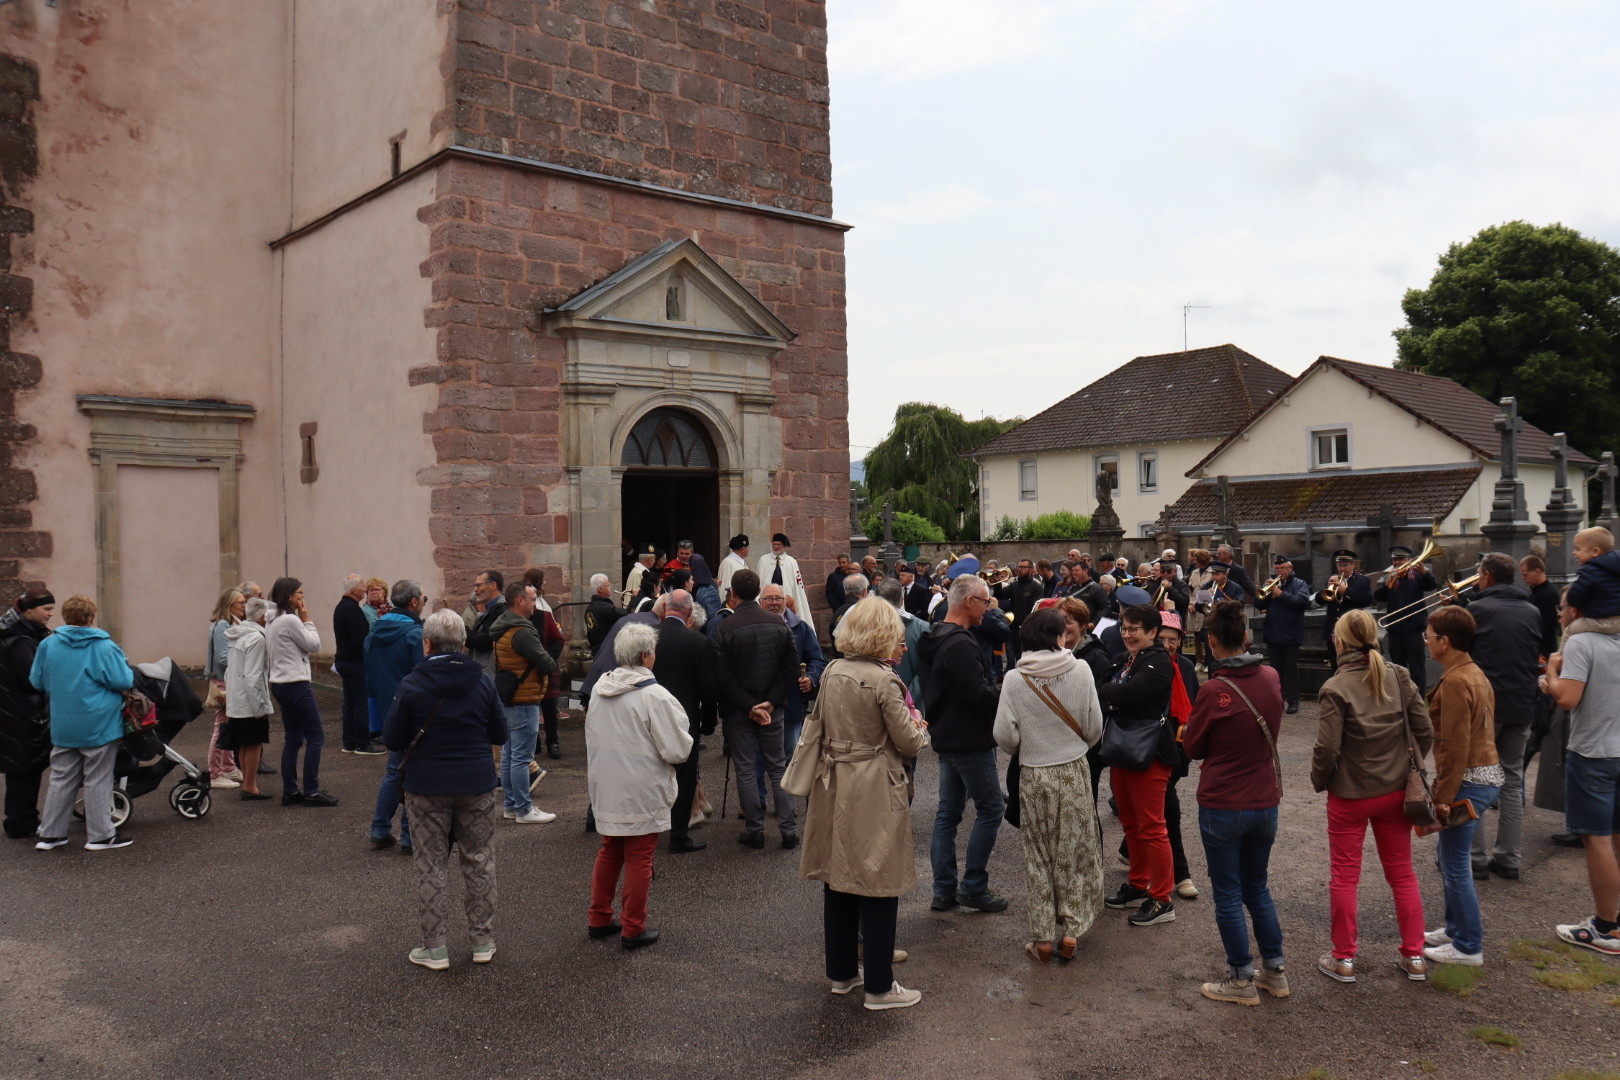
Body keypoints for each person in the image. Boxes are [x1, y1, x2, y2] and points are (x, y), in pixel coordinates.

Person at [801, 596, 931, 1011]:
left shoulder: (834, 670)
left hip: (833, 779)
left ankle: (842, 973)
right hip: (874, 782)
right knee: (879, 880)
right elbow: (908, 741)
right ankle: (879, 986)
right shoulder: (883, 679)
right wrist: (921, 728)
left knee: (838, 876)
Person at [1309, 609, 1433, 984]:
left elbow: (1327, 748)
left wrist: (1320, 780)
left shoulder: (1335, 687)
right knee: (1402, 874)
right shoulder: (1398, 674)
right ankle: (1415, 956)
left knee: (1345, 877)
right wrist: (1408, 766)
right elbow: (1424, 729)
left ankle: (1344, 958)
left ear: (1339, 642)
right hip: (1396, 790)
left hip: (1350, 793)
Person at [384, 609, 507, 970]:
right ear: (463, 643)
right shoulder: (482, 682)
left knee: (430, 864)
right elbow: (500, 733)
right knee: (480, 859)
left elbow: (392, 738)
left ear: (427, 644)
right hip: (476, 782)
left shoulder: (412, 683)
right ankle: (482, 941)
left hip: (427, 785)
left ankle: (435, 947)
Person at [1184, 601, 1289, 1004]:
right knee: (1257, 888)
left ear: (1211, 641)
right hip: (1264, 798)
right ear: (1246, 637)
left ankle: (1241, 979)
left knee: (1227, 893)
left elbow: (1194, 747)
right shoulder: (1271, 676)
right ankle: (1274, 971)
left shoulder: (1213, 690)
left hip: (1223, 801)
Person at [993, 608, 1104, 963]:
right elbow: (1095, 725)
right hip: (1073, 768)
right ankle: (1071, 931)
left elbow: (1003, 735)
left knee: (1038, 855)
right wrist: (1074, 745)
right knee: (1074, 849)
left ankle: (1042, 937)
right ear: (1059, 636)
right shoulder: (1081, 669)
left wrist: (1028, 746)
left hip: (1034, 773)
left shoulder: (1014, 679)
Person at [586, 622, 693, 950]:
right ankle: (633, 927)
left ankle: (599, 917)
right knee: (639, 856)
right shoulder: (654, 696)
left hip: (607, 783)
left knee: (610, 849)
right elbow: (677, 749)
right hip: (641, 787)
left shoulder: (600, 688)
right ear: (646, 655)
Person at [917, 574, 1007, 913]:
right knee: (991, 809)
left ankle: (944, 890)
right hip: (968, 738)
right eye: (985, 602)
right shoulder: (960, 644)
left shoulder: (935, 635)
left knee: (948, 814)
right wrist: (1008, 689)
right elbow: (977, 694)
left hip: (947, 734)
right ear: (969, 601)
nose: (988, 608)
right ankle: (973, 887)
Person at [1421, 606, 1502, 968]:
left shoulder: (1456, 681)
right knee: (1449, 859)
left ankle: (1468, 945)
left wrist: (1442, 797)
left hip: (1467, 779)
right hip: (1482, 775)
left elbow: (1455, 746)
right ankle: (1456, 930)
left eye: (1429, 635)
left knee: (1455, 864)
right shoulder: (1473, 672)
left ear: (1445, 641)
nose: (1426, 640)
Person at [1541, 589, 1620, 954]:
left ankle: (1604, 927)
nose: (1559, 614)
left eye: (1561, 608)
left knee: (1597, 839)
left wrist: (1551, 672)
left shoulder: (1581, 642)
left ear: (1575, 610)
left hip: (1593, 753)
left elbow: (1568, 698)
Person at [1459, 553, 1542, 882]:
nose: (1478, 578)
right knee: (1511, 779)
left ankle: (1475, 857)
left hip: (1486, 706)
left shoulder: (1478, 609)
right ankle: (1509, 857)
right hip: (1521, 703)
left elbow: (1463, 656)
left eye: (1480, 573)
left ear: (1488, 576)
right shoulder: (1532, 610)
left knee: (1477, 776)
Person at [30, 594, 135, 851]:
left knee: (61, 777)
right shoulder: (104, 646)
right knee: (98, 778)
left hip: (63, 722)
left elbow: (37, 681)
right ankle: (100, 836)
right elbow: (123, 680)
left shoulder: (48, 644)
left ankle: (51, 834)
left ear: (65, 615)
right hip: (99, 722)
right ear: (90, 617)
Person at [1097, 603, 1179, 926]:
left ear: (1153, 632)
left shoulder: (1159, 661)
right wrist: (1113, 692)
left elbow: (1126, 694)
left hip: (1150, 752)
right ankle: (1138, 883)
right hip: (1123, 748)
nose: (1128, 634)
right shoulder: (1126, 658)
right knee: (1130, 823)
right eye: (1125, 628)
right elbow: (1108, 689)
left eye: (1135, 629)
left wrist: (1111, 692)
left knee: (1152, 827)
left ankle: (1162, 898)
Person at [713, 569, 800, 849]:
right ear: (758, 592)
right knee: (777, 766)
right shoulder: (778, 623)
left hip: (740, 709)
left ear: (733, 593)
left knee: (747, 768)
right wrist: (771, 702)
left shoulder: (725, 627)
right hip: (771, 708)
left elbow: (722, 675)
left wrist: (749, 706)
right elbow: (791, 669)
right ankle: (788, 830)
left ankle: (755, 830)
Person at [652, 590, 717, 853]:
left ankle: (647, 831)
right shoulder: (697, 641)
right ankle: (678, 836)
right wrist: (709, 722)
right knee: (685, 776)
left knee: (651, 772)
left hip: (649, 716)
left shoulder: (648, 636)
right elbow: (708, 688)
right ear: (689, 613)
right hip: (685, 717)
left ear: (665, 608)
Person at [491, 581, 559, 824]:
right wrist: (551, 661)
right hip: (524, 698)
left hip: (511, 697)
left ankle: (511, 805)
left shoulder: (502, 626)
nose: (535, 604)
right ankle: (523, 809)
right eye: (532, 599)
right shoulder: (523, 631)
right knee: (520, 756)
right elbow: (546, 663)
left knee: (510, 755)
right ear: (519, 601)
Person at [266, 578, 336, 807]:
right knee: (316, 736)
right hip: (295, 683)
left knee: (294, 738)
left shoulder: (272, 620)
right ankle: (312, 792)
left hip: (280, 683)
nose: (302, 597)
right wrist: (307, 620)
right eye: (299, 593)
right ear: (289, 596)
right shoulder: (290, 620)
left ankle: (290, 791)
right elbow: (314, 645)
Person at [1149, 612, 1199, 900]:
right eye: (1162, 639)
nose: (1167, 645)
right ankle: (1181, 874)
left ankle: (1128, 849)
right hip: (1156, 749)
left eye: (1172, 639)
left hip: (1180, 746)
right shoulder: (1148, 664)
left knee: (1155, 808)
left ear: (1180, 640)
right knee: (1170, 812)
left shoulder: (1187, 667)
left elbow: (1195, 701)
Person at [0, 588, 54, 839]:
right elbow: (33, 679)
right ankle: (22, 823)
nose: (50, 614)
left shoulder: (19, 633)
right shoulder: (20, 639)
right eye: (46, 609)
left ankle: (19, 821)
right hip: (21, 714)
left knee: (21, 770)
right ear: (29, 611)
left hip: (15, 711)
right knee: (25, 770)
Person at [759, 583, 824, 762]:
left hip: (791, 704)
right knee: (759, 759)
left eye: (778, 598)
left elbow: (818, 660)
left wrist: (811, 677)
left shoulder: (801, 629)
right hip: (759, 704)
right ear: (760, 601)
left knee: (791, 757)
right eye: (769, 599)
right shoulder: (752, 627)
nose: (774, 602)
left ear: (785, 600)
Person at [222, 597, 275, 800]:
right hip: (249, 701)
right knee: (254, 743)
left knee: (244, 744)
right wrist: (260, 706)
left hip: (237, 698)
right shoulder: (257, 639)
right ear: (262, 617)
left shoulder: (238, 635)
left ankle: (247, 783)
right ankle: (250, 786)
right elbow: (254, 676)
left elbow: (230, 671)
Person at [1375, 545, 1437, 694]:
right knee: (1397, 669)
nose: (1397, 562)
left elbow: (1432, 585)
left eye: (1401, 559)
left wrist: (1425, 573)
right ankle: (1401, 698)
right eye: (1395, 560)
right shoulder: (1389, 577)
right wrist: (1387, 585)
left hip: (1414, 630)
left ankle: (1419, 699)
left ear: (1409, 560)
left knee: (1417, 669)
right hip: (1395, 630)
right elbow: (1378, 596)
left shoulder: (1417, 576)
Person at [521, 567, 568, 760]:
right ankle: (535, 743)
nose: (533, 603)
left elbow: (558, 639)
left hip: (546, 668)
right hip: (526, 671)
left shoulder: (545, 615)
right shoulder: (516, 619)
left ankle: (552, 742)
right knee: (530, 710)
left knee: (549, 708)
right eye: (530, 600)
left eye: (534, 600)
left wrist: (548, 659)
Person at [334, 574, 383, 755]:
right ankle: (362, 743)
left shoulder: (341, 607)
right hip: (354, 663)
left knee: (349, 703)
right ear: (354, 590)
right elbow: (360, 641)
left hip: (343, 661)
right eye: (363, 586)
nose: (365, 589)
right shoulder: (353, 610)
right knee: (360, 703)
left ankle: (349, 742)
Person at [1255, 554, 1310, 714]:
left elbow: (1301, 603)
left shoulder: (1299, 584)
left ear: (1290, 568)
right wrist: (1265, 593)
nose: (1279, 571)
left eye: (1283, 568)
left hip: (1291, 633)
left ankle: (1293, 701)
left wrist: (1281, 594)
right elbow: (1259, 604)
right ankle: (1277, 700)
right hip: (1273, 632)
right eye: (1277, 568)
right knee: (1275, 670)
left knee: (1290, 669)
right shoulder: (1271, 583)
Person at [201, 587, 245, 790]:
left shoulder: (225, 624)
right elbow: (222, 657)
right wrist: (245, 662)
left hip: (224, 680)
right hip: (223, 681)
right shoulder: (222, 626)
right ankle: (215, 773)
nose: (244, 606)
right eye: (240, 603)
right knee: (222, 727)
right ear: (229, 605)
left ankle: (228, 767)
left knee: (228, 725)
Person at [1314, 550, 1373, 672]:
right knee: (1335, 665)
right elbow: (1319, 600)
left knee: (1352, 665)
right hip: (1333, 630)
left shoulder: (1362, 580)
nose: (1342, 569)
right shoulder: (1330, 579)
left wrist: (1346, 591)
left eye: (1345, 565)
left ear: (1353, 565)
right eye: (1339, 565)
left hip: (1352, 629)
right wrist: (1328, 588)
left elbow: (1366, 601)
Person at [755, 533, 812, 618]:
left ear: (784, 546)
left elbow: (797, 585)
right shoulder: (763, 560)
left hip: (786, 596)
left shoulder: (791, 562)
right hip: (767, 597)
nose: (776, 547)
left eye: (779, 544)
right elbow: (759, 580)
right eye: (774, 544)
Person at [463, 569, 507, 675]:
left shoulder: (501, 610)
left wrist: (459, 628)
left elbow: (484, 642)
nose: (475, 590)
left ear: (493, 585)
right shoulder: (492, 609)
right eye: (475, 586)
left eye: (479, 585)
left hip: (491, 674)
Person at [584, 573, 626, 654]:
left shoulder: (590, 607)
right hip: (605, 649)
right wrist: (634, 599)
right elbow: (626, 613)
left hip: (596, 649)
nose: (610, 587)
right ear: (600, 589)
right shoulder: (604, 608)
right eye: (608, 585)